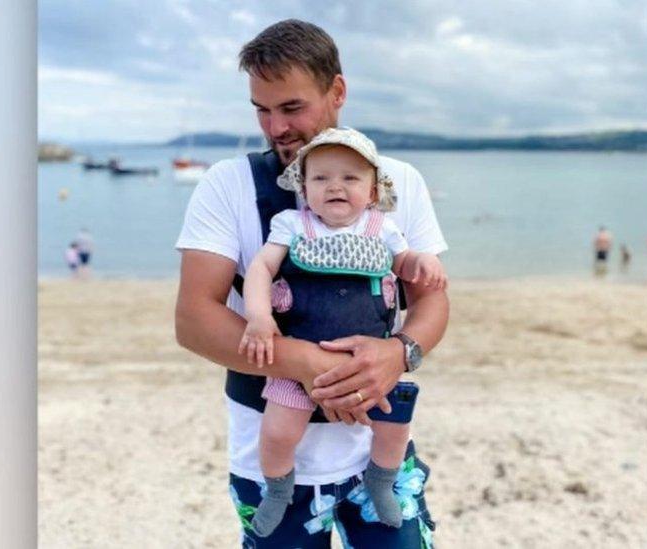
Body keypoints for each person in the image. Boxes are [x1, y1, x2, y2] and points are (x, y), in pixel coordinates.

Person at [174, 19, 449, 548]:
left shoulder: (398, 184)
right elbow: (193, 320)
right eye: (262, 109)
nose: (275, 127)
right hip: (268, 451)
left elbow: (433, 302)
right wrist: (316, 367)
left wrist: (400, 354)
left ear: (337, 92)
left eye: (291, 107)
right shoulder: (227, 185)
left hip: (377, 448)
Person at [239, 128, 447, 536]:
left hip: (370, 364)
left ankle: (381, 480)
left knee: (393, 429)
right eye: (320, 178)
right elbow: (262, 268)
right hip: (299, 360)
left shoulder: (382, 227)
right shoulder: (292, 224)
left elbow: (404, 264)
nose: (335, 186)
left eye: (350, 178)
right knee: (278, 433)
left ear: (372, 191)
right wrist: (259, 318)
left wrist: (423, 263)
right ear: (304, 189)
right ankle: (278, 489)